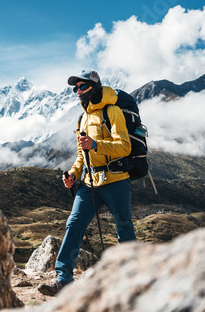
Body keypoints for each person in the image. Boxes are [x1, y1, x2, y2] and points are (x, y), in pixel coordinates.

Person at [37, 70, 137, 296]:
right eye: (76, 89)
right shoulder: (82, 118)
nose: (79, 92)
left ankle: (134, 280)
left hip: (116, 181)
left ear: (96, 87)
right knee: (74, 225)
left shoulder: (112, 111)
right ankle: (63, 280)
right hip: (90, 184)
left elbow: (125, 147)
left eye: (83, 87)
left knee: (124, 229)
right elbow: (81, 156)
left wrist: (95, 144)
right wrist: (72, 174)